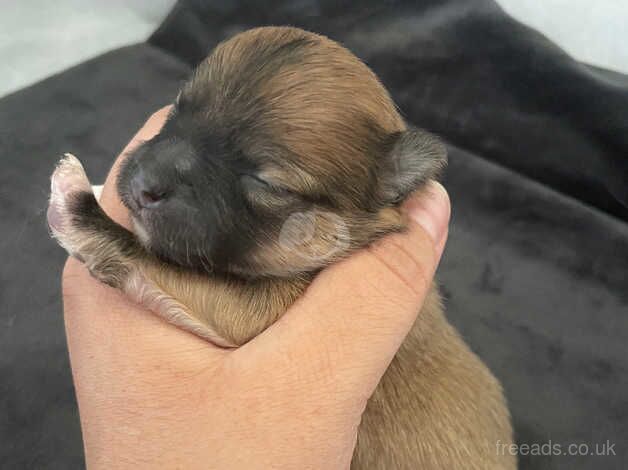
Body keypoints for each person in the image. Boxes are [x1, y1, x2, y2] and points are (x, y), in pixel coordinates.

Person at [62, 107, 451, 469]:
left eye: (265, 182)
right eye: (184, 108)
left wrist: (107, 242)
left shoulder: (326, 285)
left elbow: (247, 315)